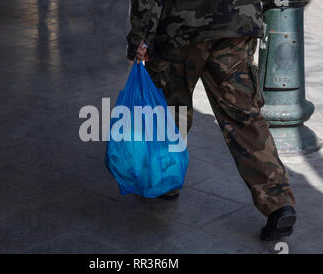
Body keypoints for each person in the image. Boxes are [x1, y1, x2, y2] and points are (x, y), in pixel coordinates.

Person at [126, 0, 296, 241]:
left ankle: (166, 179)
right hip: (237, 21)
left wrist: (140, 36)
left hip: (180, 25)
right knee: (243, 116)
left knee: (170, 111)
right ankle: (278, 203)